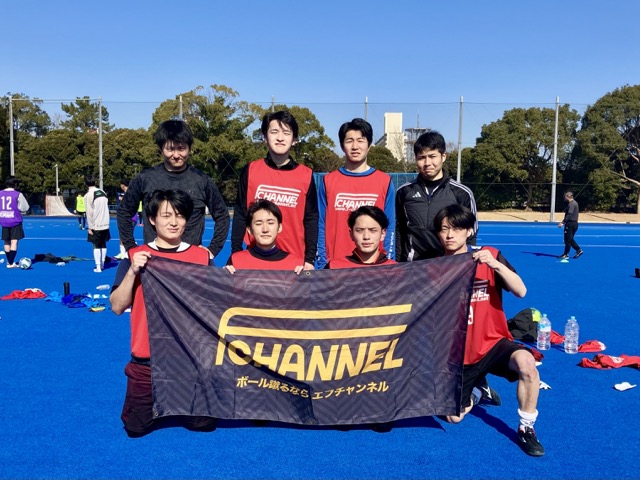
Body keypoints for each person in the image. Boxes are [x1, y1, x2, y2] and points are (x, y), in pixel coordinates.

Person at [434, 204, 544, 457]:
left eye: (456, 228)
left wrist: (495, 265)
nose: (449, 235)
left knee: (527, 363)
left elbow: (521, 291)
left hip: (495, 343)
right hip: (461, 352)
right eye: (444, 229)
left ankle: (526, 427)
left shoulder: (490, 255)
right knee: (453, 417)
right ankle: (478, 389)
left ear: (469, 230)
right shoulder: (435, 267)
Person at [110, 189, 217, 437]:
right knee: (135, 428)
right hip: (148, 358)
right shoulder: (135, 256)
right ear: (152, 219)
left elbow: (219, 303)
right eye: (166, 215)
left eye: (179, 215)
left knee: (203, 424)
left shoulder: (202, 257)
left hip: (191, 358)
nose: (173, 222)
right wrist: (132, 272)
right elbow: (117, 306)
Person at [117, 119, 230, 260]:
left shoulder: (202, 181)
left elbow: (222, 216)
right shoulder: (145, 178)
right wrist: (131, 247)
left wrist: (213, 249)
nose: (176, 155)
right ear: (160, 148)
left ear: (189, 148)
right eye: (170, 149)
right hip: (153, 261)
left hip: (192, 262)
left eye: (181, 148)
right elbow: (124, 212)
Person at [230, 110, 317, 270]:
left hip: (294, 263)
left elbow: (311, 219)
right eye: (274, 131)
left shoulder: (306, 175)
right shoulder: (251, 170)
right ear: (265, 137)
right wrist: (235, 254)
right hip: (254, 260)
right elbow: (241, 213)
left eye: (286, 133)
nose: (280, 138)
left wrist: (309, 259)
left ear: (294, 139)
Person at [317, 118, 395, 269]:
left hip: (375, 269)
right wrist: (322, 263)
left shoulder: (384, 182)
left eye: (360, 140)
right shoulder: (328, 181)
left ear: (369, 145)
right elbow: (320, 224)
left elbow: (390, 226)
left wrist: (388, 264)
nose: (355, 146)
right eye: (349, 141)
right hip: (336, 268)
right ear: (342, 145)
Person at [396, 130, 478, 262]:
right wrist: (398, 264)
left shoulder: (462, 193)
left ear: (443, 156)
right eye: (421, 157)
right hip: (413, 267)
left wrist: (465, 263)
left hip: (448, 266)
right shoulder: (404, 192)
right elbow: (399, 231)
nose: (427, 162)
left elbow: (471, 232)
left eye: (432, 156)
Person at [227, 199, 304, 273]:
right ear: (249, 230)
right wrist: (225, 276)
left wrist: (305, 277)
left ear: (279, 227)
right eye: (258, 224)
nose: (265, 229)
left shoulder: (296, 264)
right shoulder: (236, 261)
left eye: (270, 223)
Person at [326, 206, 396, 268]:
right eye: (359, 230)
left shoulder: (395, 269)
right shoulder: (335, 267)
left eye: (373, 230)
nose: (366, 237)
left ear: (383, 234)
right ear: (351, 234)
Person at [0, 176, 30, 268]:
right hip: (15, 220)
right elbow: (25, 207)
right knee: (14, 241)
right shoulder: (17, 194)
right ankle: (11, 262)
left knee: (6, 241)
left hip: (4, 220)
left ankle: (9, 261)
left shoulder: (0, 193)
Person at [84, 175, 110, 273]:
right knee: (103, 244)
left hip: (96, 224)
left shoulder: (88, 195)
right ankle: (102, 264)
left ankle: (98, 267)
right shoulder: (103, 192)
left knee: (96, 245)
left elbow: (89, 212)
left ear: (85, 184)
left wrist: (90, 227)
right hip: (106, 223)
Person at [558, 191, 583, 259]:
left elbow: (569, 214)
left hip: (571, 224)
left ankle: (578, 250)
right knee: (568, 239)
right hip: (574, 223)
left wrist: (562, 222)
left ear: (567, 196)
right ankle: (566, 254)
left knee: (568, 239)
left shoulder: (571, 204)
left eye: (565, 196)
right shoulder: (574, 203)